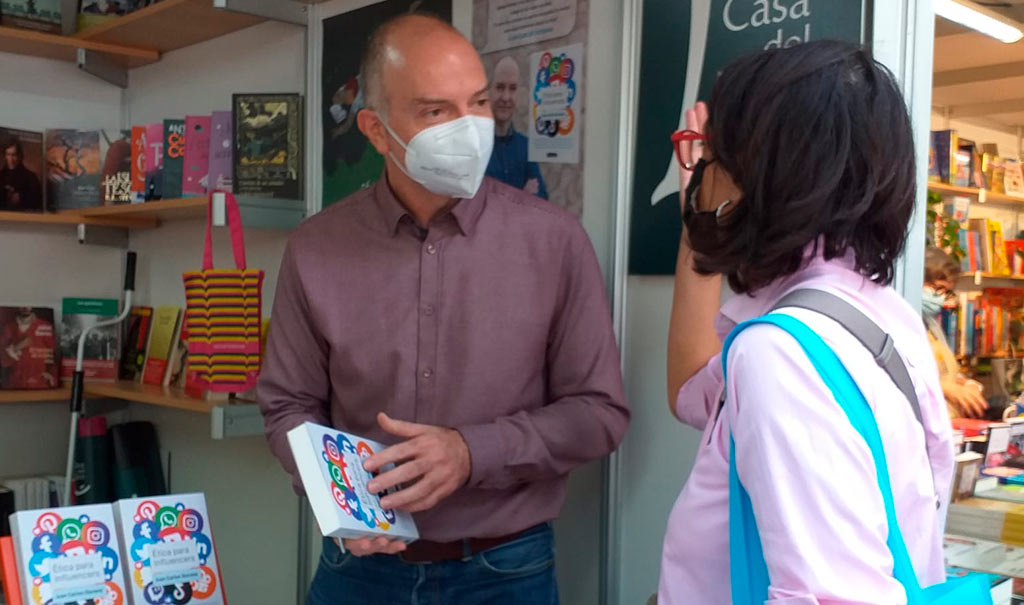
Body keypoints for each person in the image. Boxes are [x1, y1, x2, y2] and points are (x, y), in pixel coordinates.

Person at [258, 14, 628, 605]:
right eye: (436, 111)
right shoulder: (316, 247)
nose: (469, 128)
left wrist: (470, 452)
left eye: (478, 102)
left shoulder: (553, 241)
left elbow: (600, 412)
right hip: (358, 571)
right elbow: (287, 406)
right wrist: (339, 497)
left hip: (506, 568)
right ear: (377, 132)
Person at [659, 41, 952, 603]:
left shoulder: (782, 353)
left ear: (759, 177)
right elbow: (693, 392)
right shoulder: (874, 310)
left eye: (710, 156)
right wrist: (701, 227)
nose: (698, 176)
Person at [922, 245, 988, 419]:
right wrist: (944, 388)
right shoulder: (896, 323)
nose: (940, 298)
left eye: (946, 292)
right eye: (936, 289)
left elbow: (948, 372)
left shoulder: (933, 326)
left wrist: (967, 384)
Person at [485, 56, 548, 200]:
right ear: (488, 91)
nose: (506, 97)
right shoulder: (474, 146)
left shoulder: (525, 147)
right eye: (500, 87)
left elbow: (542, 201)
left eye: (512, 88)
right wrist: (522, 197)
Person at [0, 307, 57, 389]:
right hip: (14, 384)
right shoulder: (8, 328)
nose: (25, 307)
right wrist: (17, 347)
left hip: (39, 383)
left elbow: (54, 356)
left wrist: (52, 376)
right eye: (22, 305)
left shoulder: (45, 326)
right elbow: (3, 362)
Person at [0, 138, 43, 211]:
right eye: (8, 154)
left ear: (20, 156)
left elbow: (38, 200)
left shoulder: (30, 176)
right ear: (5, 156)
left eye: (14, 155)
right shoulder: (1, 175)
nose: (11, 159)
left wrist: (21, 197)